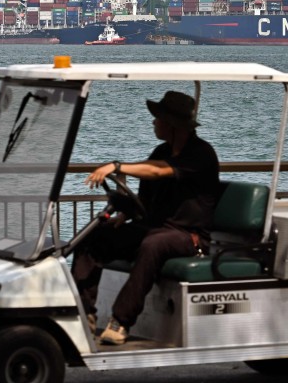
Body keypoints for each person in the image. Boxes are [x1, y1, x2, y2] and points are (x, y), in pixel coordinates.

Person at [71, 90, 220, 345]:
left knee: (153, 244)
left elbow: (157, 172)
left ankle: (120, 322)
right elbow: (147, 195)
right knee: (94, 237)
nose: (153, 122)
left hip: (189, 237)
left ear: (173, 124)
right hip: (154, 227)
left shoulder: (201, 154)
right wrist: (125, 212)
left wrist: (116, 166)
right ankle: (84, 316)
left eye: (158, 118)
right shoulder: (161, 150)